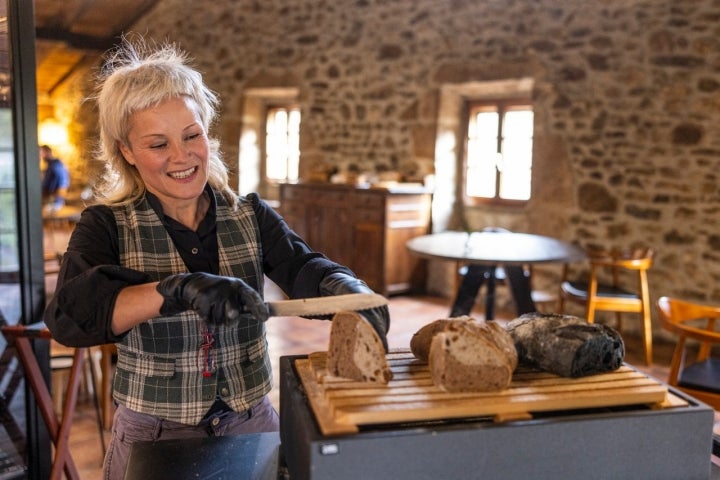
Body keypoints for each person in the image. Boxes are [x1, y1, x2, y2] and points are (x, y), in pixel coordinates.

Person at [43, 38, 389, 479]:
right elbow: (72, 318)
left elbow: (300, 267)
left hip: (252, 420)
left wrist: (344, 288)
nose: (181, 156)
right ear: (126, 152)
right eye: (157, 144)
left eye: (192, 135)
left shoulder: (249, 214)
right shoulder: (106, 226)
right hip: (155, 432)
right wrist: (174, 290)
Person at [40, 144, 70, 211]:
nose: (40, 156)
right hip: (48, 200)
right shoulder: (50, 166)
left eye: (41, 153)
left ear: (47, 152)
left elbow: (63, 183)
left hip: (53, 203)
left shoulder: (56, 165)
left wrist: (52, 197)